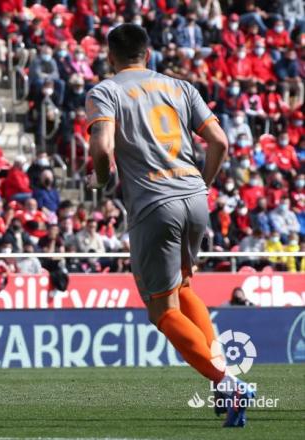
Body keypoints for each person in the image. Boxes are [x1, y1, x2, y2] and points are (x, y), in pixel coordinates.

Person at [86, 24, 254, 428]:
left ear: (111, 56)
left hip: (154, 205)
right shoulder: (180, 87)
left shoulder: (105, 92)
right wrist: (204, 185)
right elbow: (219, 142)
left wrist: (101, 179)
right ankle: (223, 378)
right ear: (149, 53)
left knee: (162, 309)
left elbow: (103, 148)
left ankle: (227, 381)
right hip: (195, 196)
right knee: (182, 287)